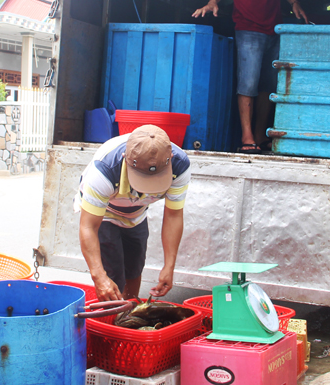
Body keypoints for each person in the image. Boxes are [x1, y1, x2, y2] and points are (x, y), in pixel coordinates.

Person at [75, 125, 191, 302]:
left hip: (137, 214)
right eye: (143, 179)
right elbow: (88, 226)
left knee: (135, 269)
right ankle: (111, 319)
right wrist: (99, 277)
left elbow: (174, 215)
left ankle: (129, 311)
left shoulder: (180, 165)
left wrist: (169, 266)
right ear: (125, 159)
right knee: (113, 275)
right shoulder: (104, 170)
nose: (148, 188)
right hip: (104, 212)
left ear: (170, 159)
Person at [193, 0, 308, 153]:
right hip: (248, 28)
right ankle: (247, 137)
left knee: (268, 85)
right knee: (248, 83)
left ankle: (260, 136)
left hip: (274, 29)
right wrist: (212, 2)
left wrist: (294, 3)